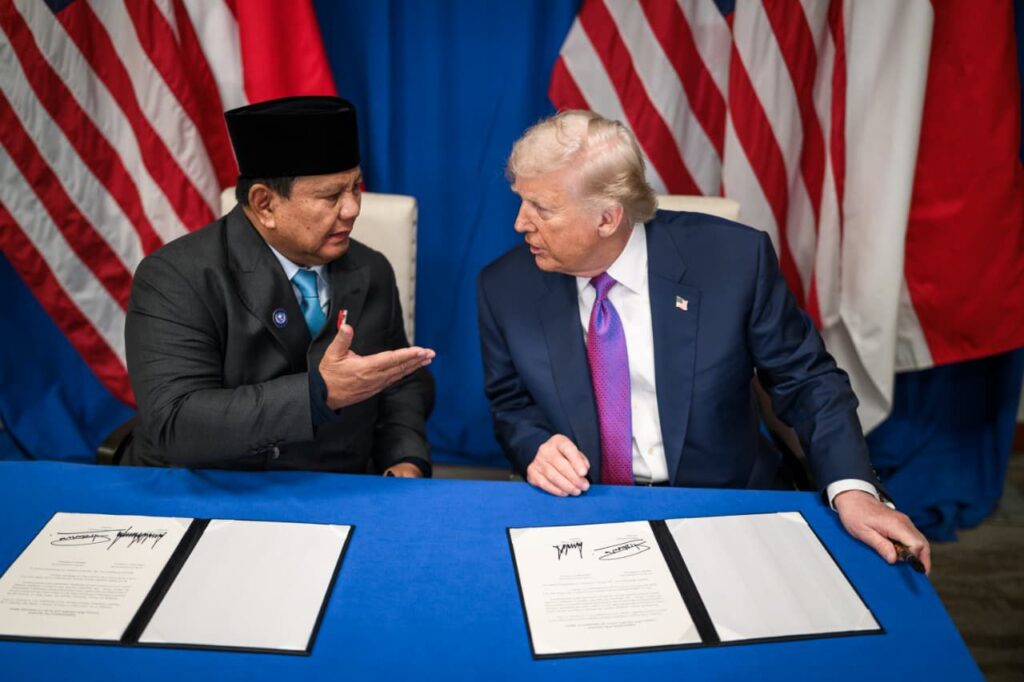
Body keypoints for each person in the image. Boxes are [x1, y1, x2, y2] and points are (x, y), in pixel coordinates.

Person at [477, 110, 930, 571]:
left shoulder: (733, 261)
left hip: (727, 504)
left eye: (542, 208)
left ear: (608, 218)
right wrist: (535, 445)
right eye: (521, 201)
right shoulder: (505, 289)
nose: (520, 224)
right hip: (585, 512)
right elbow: (510, 402)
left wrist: (852, 487)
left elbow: (808, 380)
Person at [124, 96, 434, 477]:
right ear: (265, 204)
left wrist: (404, 458)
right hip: (216, 489)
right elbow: (177, 423)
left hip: (338, 490)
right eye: (330, 196)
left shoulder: (372, 269)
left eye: (355, 187)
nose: (353, 208)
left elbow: (397, 384)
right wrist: (317, 395)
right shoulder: (175, 277)